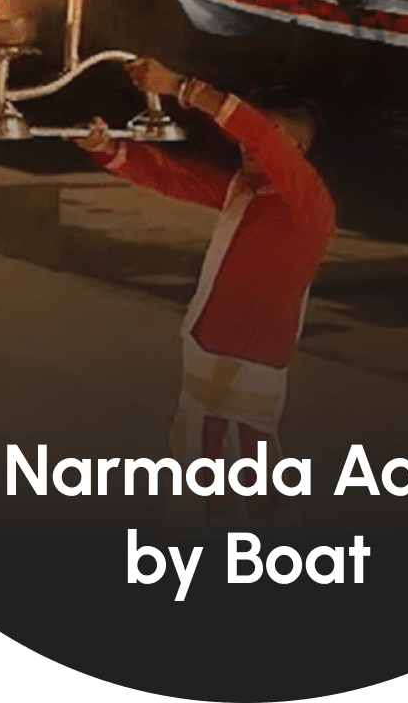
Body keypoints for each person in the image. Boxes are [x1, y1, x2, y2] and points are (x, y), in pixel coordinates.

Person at [77, 57, 336, 512]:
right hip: (205, 358)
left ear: (294, 146)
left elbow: (258, 135)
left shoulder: (309, 204)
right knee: (206, 475)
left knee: (251, 482)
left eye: (261, 133)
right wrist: (107, 147)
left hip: (251, 367)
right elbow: (172, 176)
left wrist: (179, 86)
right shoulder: (243, 190)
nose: (245, 142)